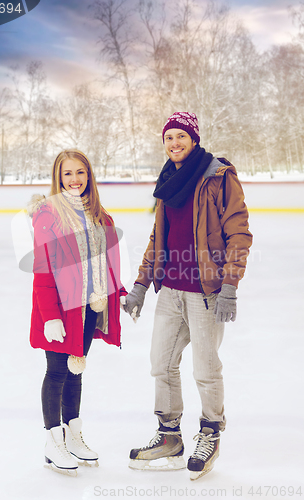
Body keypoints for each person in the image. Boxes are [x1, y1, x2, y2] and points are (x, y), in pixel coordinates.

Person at [121, 112, 253, 480]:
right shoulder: (168, 181)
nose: (174, 143)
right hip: (171, 291)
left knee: (206, 370)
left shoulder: (218, 176)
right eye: (168, 138)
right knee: (160, 364)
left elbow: (239, 234)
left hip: (206, 293)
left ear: (194, 139)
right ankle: (169, 437)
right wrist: (140, 286)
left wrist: (229, 286)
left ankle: (210, 432)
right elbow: (157, 239)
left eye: (181, 136)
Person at [28, 149, 126, 476]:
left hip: (87, 309)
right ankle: (51, 440)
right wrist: (50, 315)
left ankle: (73, 435)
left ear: (89, 175)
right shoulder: (48, 215)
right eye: (67, 173)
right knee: (56, 371)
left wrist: (118, 297)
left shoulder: (100, 216)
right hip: (59, 309)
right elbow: (43, 269)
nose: (75, 179)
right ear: (58, 177)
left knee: (76, 369)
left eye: (80, 172)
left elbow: (107, 266)